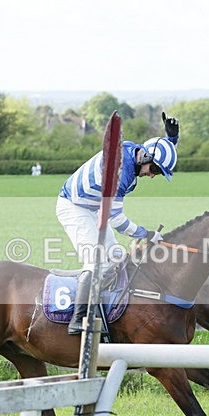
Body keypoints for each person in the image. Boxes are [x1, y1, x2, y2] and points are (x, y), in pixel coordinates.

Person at [56, 112, 179, 334]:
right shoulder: (121, 172)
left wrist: (172, 139)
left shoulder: (139, 152)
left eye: (158, 173)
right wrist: (146, 233)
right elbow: (119, 221)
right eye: (154, 170)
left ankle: (106, 313)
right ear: (144, 159)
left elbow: (156, 149)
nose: (153, 176)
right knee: (98, 264)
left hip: (94, 207)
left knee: (116, 260)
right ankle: (79, 318)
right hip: (74, 207)